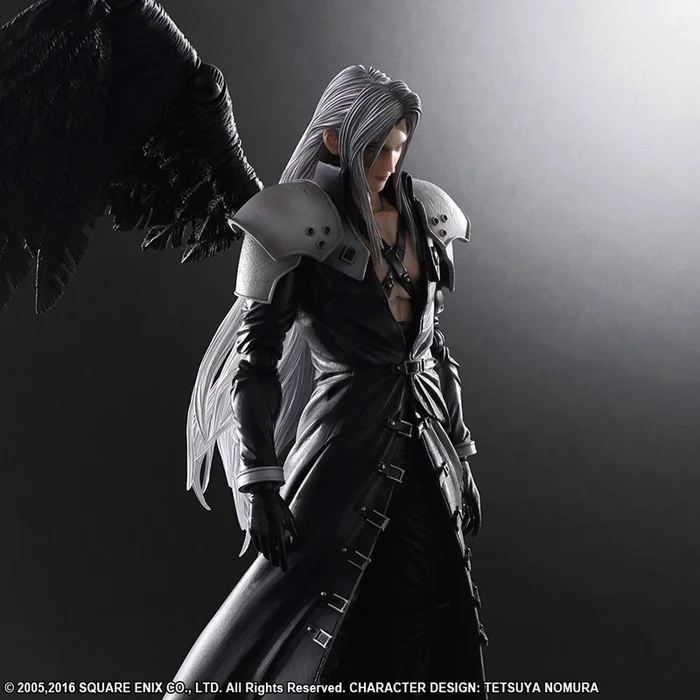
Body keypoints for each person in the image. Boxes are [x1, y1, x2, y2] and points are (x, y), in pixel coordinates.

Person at [175, 65, 488, 700]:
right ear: (336, 139)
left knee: (429, 601)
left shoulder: (424, 214)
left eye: (398, 147)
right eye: (375, 148)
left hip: (425, 444)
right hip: (343, 447)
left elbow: (434, 349)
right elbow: (255, 365)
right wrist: (261, 480)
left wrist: (459, 451)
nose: (388, 164)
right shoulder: (298, 220)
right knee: (297, 602)